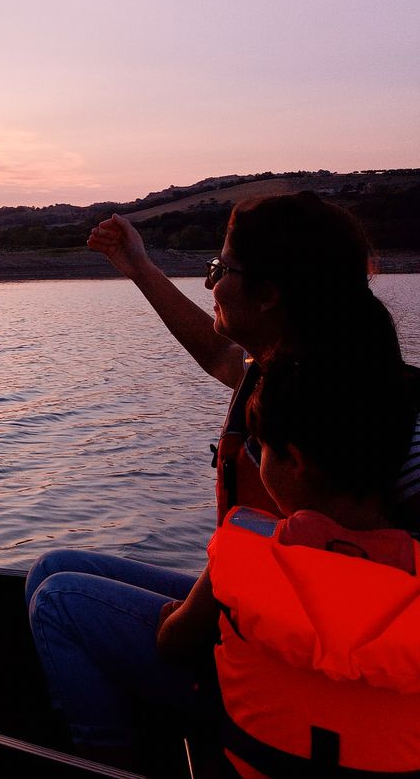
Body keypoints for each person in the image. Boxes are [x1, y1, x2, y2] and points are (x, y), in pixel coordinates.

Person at [28, 354, 420, 773]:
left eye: (261, 449)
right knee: (53, 567)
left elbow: (171, 641)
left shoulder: (250, 551)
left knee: (57, 598)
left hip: (243, 718)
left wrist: (179, 616)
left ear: (295, 460)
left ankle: (106, 765)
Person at [86, 192, 419, 526]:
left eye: (220, 270)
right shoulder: (285, 375)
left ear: (267, 295)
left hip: (314, 576)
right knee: (58, 567)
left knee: (63, 581)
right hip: (264, 574)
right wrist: (140, 268)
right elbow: (218, 353)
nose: (207, 283)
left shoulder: (388, 426)